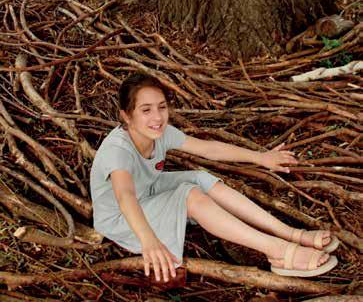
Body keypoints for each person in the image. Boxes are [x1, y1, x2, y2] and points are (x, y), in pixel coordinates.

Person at [90, 73, 339, 283]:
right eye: (146, 110)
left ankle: (289, 233)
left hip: (148, 191)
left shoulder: (159, 132)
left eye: (162, 107)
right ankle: (277, 251)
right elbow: (125, 196)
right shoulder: (118, 151)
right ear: (126, 115)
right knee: (190, 195)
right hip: (123, 218)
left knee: (199, 178)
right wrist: (149, 241)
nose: (157, 117)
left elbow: (208, 149)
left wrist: (260, 157)